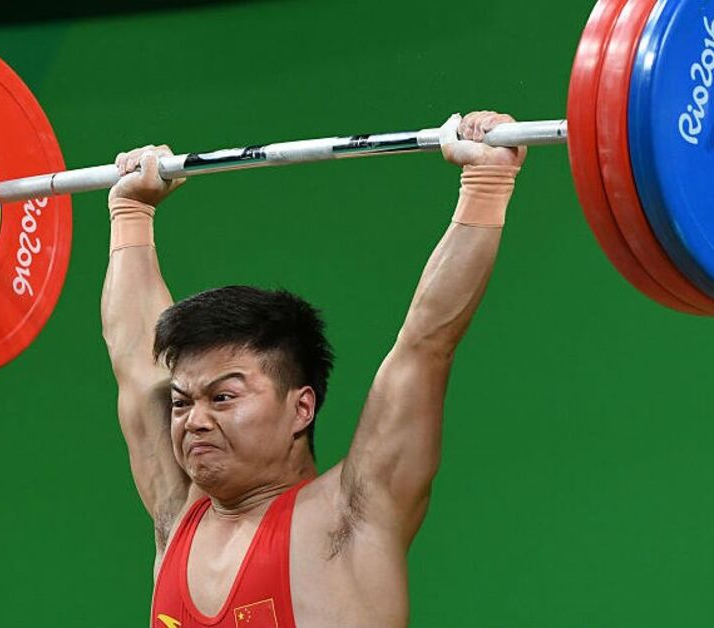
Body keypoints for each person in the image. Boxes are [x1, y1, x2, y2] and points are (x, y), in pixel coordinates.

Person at [101, 111, 526, 627]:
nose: (195, 421)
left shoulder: (352, 517)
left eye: (223, 397)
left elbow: (427, 342)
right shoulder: (177, 514)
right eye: (182, 403)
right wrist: (130, 212)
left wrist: (485, 183)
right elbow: (135, 359)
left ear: (301, 407)